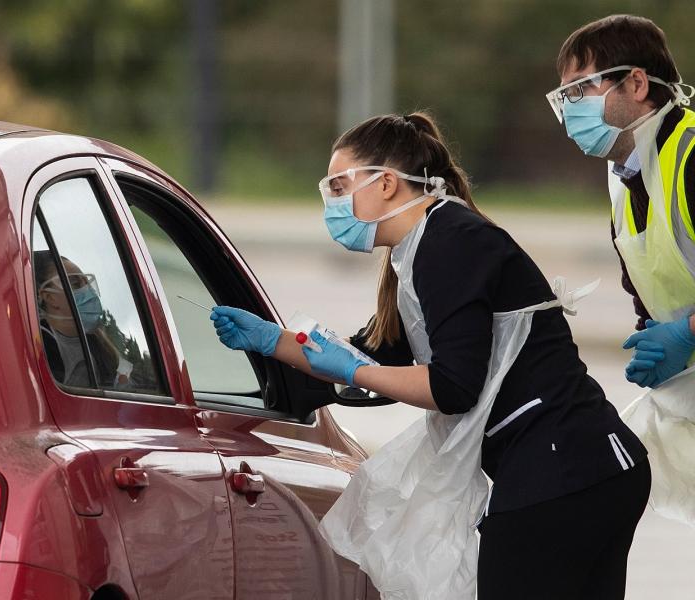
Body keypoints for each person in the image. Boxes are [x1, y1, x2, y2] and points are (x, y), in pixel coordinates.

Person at [210, 111, 650, 599]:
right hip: (586, 469)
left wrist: (356, 370)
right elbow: (376, 353)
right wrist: (275, 341)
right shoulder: (422, 247)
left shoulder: (450, 241)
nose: (331, 203)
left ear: (386, 184)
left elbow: (451, 387)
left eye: (339, 185)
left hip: (566, 469)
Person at [547, 15, 695, 388]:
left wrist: (685, 334)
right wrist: (653, 343)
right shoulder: (625, 179)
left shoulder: (690, 155)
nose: (570, 109)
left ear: (637, 83)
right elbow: (648, 293)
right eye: (564, 96)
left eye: (580, 89)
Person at [34, 250, 131, 388]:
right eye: (75, 283)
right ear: (49, 297)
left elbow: (126, 381)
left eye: (86, 282)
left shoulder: (96, 340)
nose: (87, 290)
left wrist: (124, 380)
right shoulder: (41, 346)